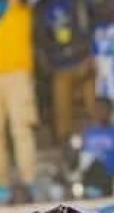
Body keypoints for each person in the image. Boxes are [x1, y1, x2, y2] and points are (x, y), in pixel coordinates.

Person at [0, 0, 38, 200]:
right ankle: (1, 185)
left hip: (18, 74)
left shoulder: (19, 4)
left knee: (21, 129)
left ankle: (28, 182)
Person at [36, 0, 96, 142]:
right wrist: (45, 62)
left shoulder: (80, 3)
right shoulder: (42, 8)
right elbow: (40, 37)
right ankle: (66, 147)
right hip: (60, 66)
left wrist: (91, 55)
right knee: (62, 114)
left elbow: (93, 27)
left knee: (93, 108)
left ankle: (95, 140)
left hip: (83, 61)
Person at [81, 96, 114, 178]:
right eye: (97, 108)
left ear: (110, 110)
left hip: (113, 176)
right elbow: (84, 154)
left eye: (103, 108)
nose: (100, 111)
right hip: (91, 178)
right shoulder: (88, 132)